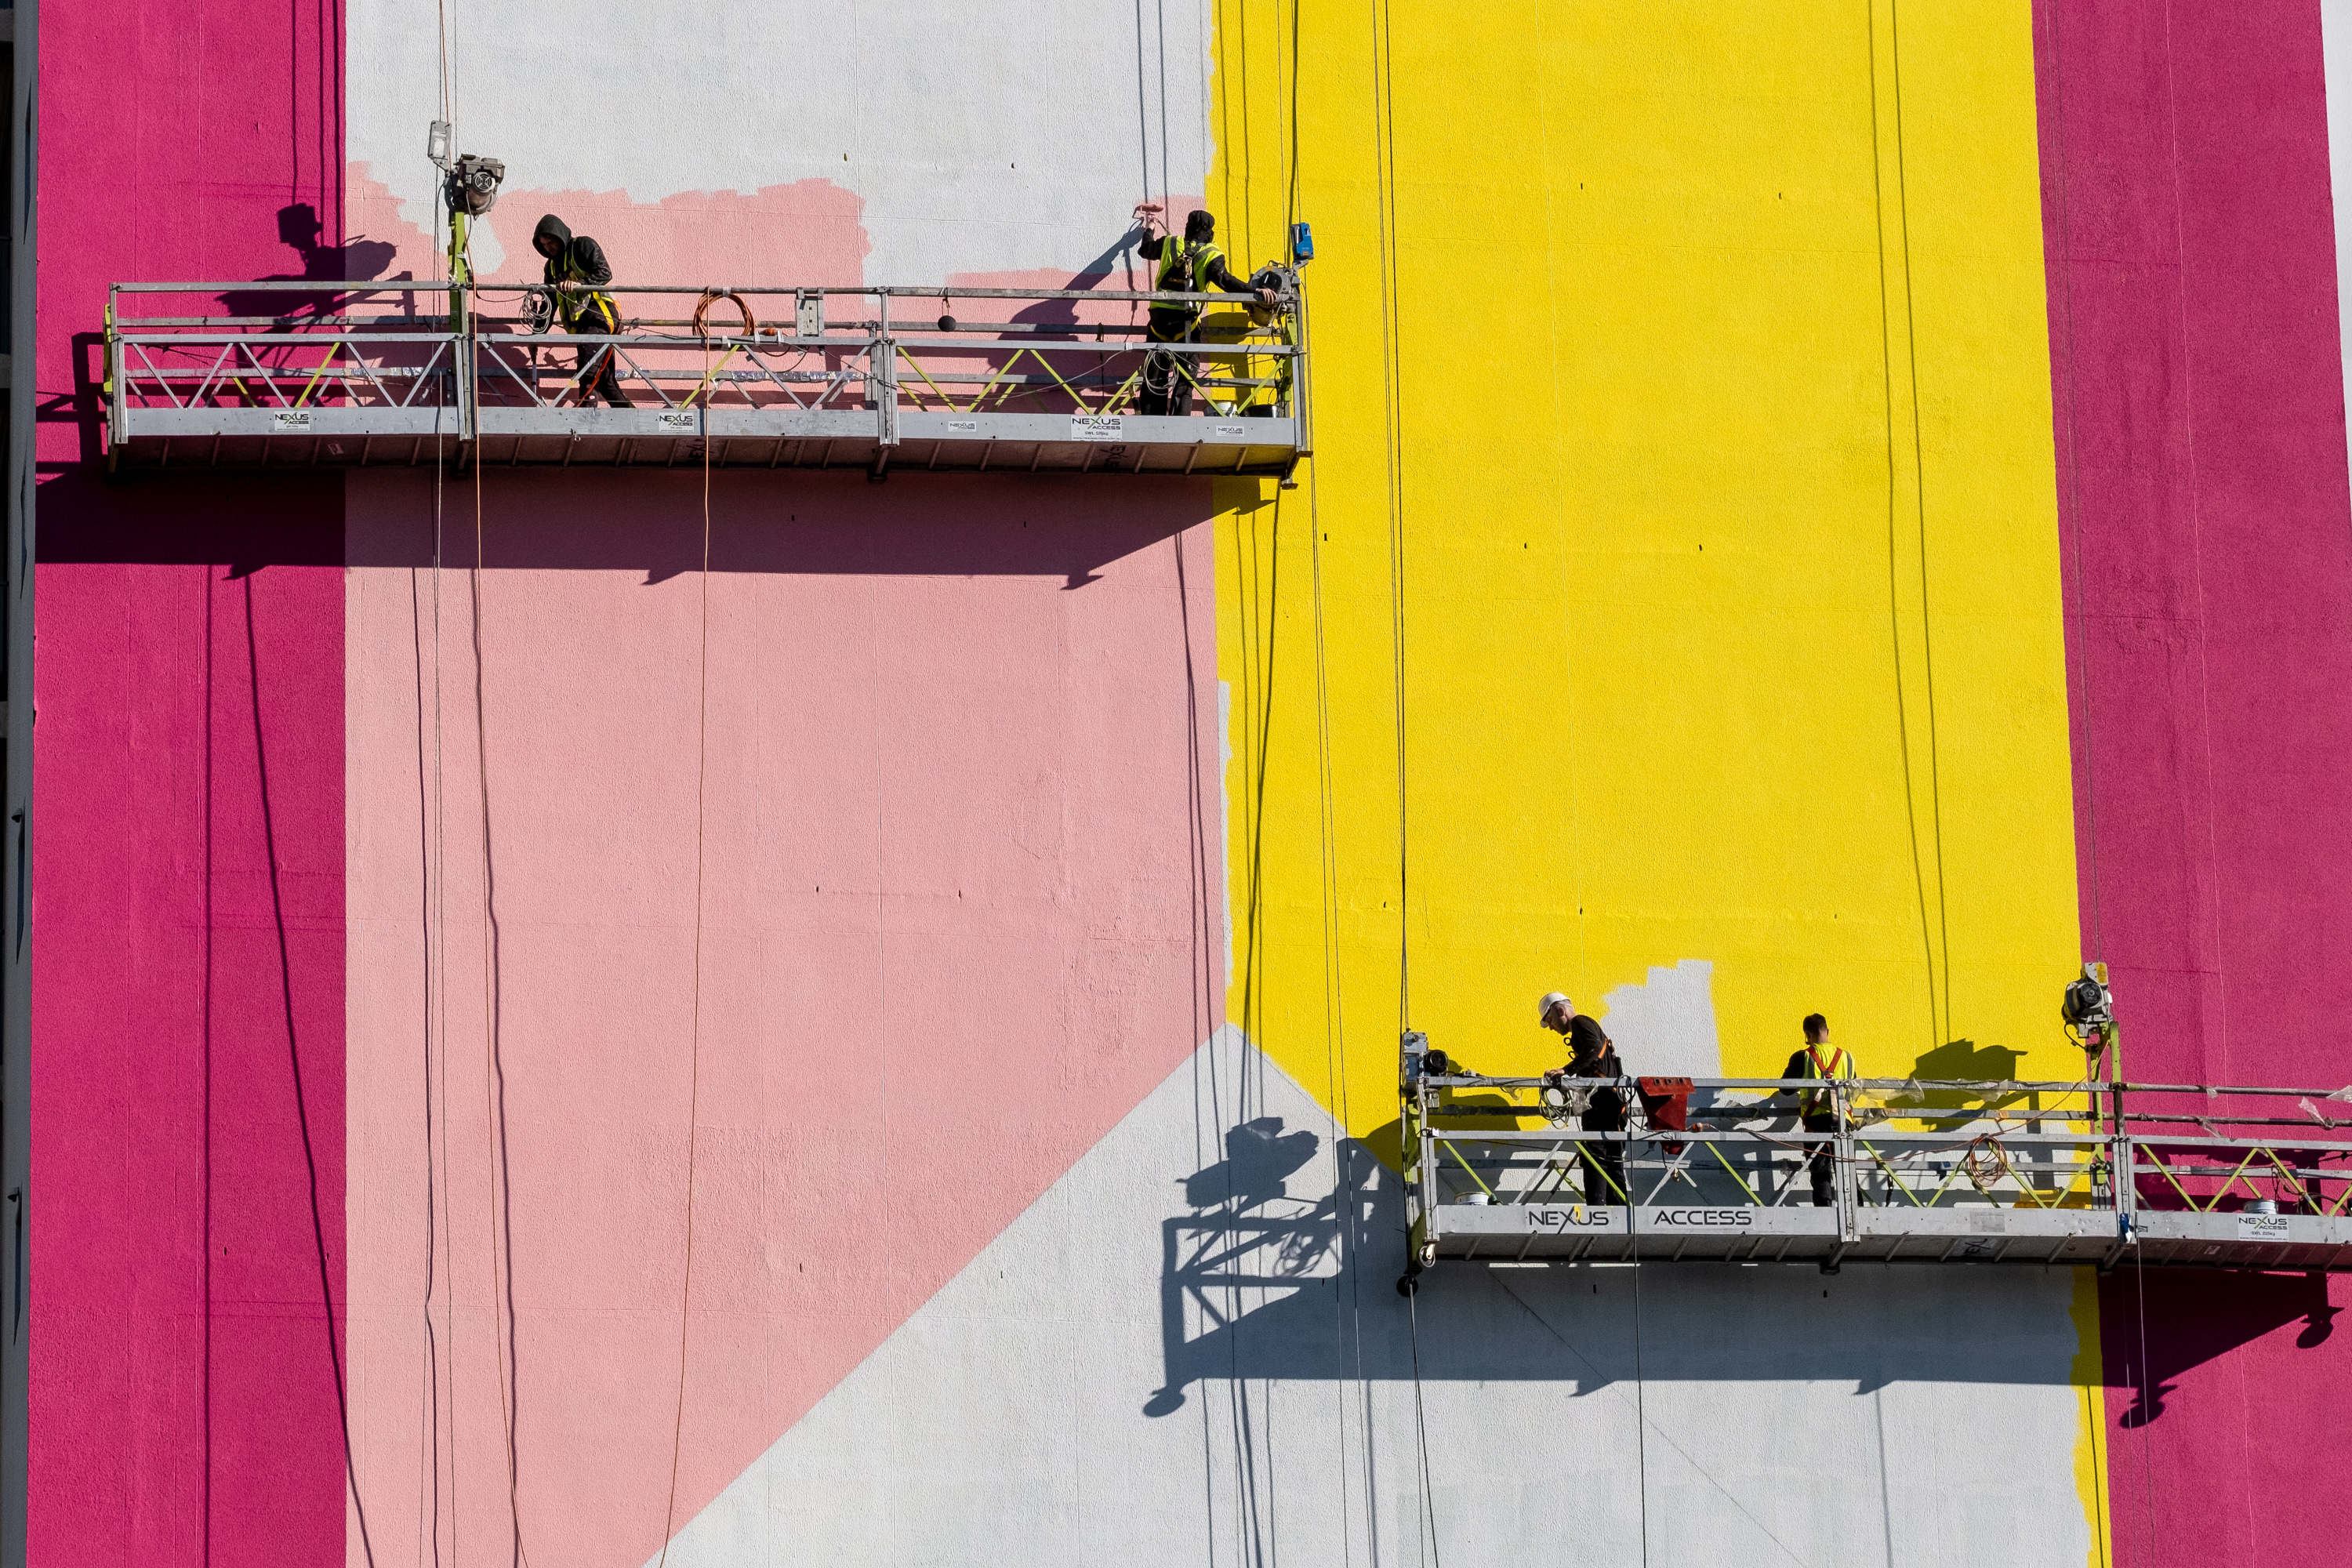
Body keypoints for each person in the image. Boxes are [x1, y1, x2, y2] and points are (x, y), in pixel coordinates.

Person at [1136, 208, 1275, 416]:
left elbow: (1144, 250)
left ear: (1188, 228)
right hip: (1186, 325)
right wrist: (1254, 290)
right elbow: (1225, 281)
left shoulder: (1170, 243)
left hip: (1159, 321)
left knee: (1155, 376)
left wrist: (1150, 228)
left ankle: (1150, 421)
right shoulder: (1212, 254)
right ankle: (1179, 423)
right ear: (1209, 232)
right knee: (1185, 380)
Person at [532, 213, 632, 408]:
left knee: (588, 370)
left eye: (551, 241)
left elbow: (604, 272)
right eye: (543, 244)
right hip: (583, 326)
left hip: (599, 316)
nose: (548, 247)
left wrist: (579, 284)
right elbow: (548, 305)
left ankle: (586, 420)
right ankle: (634, 421)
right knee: (605, 381)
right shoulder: (551, 267)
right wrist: (535, 336)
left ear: (560, 235)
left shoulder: (582, 246)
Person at [1540, 991, 1628, 1207]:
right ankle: (1618, 1209)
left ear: (1560, 1010)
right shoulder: (1584, 1027)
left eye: (1550, 1020)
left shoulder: (1580, 1022)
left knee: (1594, 1156)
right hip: (1610, 1103)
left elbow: (1594, 1049)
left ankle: (1597, 1210)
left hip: (1603, 1103)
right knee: (1612, 1159)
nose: (1551, 1027)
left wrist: (1565, 1070)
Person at [1781, 1013, 1854, 1208]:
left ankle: (1825, 1212)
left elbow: (1785, 1090)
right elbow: (1854, 1086)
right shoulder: (1846, 1057)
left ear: (1807, 1035)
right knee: (1846, 1168)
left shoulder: (1803, 1057)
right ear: (1827, 1031)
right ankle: (1858, 1212)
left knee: (1821, 1172)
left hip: (1816, 1122)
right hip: (1843, 1122)